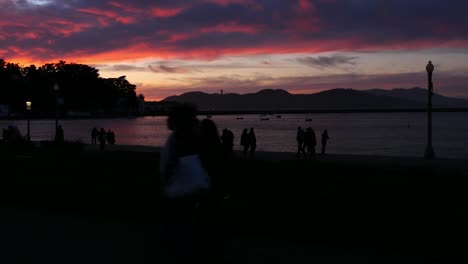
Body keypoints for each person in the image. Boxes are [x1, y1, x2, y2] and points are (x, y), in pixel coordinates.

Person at [159, 103, 202, 264]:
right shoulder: (188, 136)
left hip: (181, 191)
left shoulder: (179, 138)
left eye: (170, 117)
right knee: (185, 228)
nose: (167, 119)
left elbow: (171, 165)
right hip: (186, 190)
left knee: (180, 228)